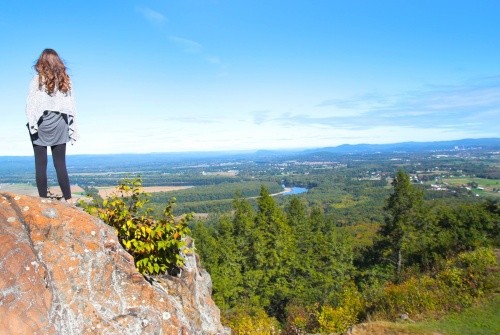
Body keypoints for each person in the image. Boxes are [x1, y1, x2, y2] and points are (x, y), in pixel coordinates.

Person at [25, 48, 78, 203]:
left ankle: (42, 199)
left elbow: (30, 105)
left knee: (40, 163)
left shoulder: (37, 80)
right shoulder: (66, 80)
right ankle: (68, 199)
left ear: (41, 62)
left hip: (41, 123)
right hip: (60, 123)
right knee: (60, 163)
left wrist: (32, 123)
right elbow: (72, 105)